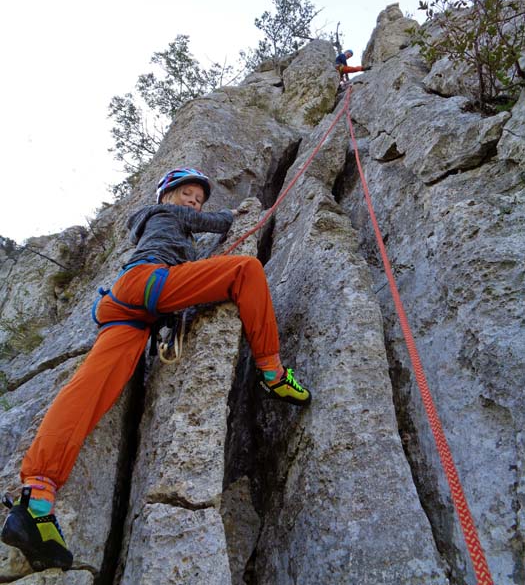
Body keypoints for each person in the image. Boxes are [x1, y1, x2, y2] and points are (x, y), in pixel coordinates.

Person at [1, 167, 311, 572]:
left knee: (88, 391)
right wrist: (245, 213)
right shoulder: (165, 213)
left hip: (127, 306)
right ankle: (272, 373)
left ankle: (36, 501)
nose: (193, 203)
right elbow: (218, 223)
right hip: (147, 285)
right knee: (245, 271)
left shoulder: (154, 225)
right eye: (187, 194)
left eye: (198, 198)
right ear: (167, 196)